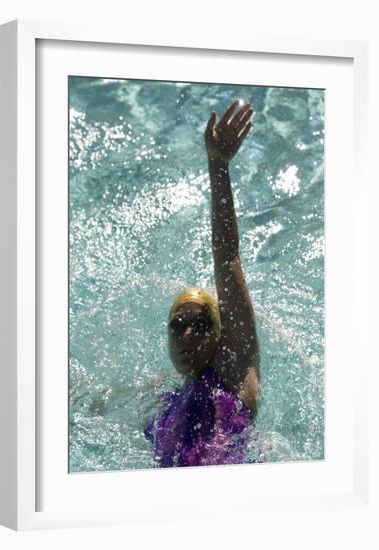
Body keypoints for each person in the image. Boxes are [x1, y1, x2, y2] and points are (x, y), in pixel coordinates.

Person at [145, 99, 261, 467]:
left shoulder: (233, 371)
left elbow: (227, 256)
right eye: (178, 326)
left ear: (220, 332)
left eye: (200, 324)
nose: (188, 335)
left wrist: (218, 166)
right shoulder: (166, 402)